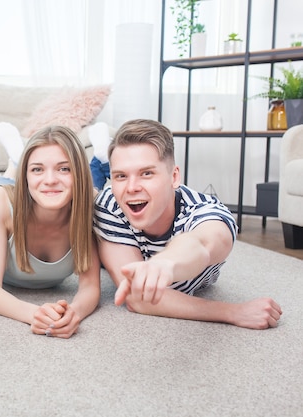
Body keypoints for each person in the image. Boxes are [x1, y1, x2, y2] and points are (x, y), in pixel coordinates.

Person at [94, 118, 282, 329]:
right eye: (120, 176)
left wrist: (165, 264)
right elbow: (136, 297)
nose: (131, 187)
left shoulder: (207, 212)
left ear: (174, 177)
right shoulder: (111, 202)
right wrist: (231, 312)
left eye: (147, 173)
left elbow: (200, 244)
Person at [0, 123, 101, 339]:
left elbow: (90, 286)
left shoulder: (89, 205)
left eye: (64, 169)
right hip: (14, 204)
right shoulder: (2, 203)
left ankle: (19, 160)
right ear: (26, 176)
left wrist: (74, 313)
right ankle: (15, 163)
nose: (50, 179)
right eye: (37, 169)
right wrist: (36, 314)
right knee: (0, 188)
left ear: (79, 173)